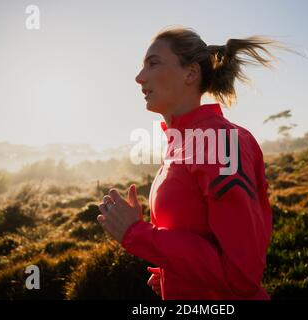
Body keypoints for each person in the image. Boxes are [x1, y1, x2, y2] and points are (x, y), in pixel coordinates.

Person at [97, 26, 283, 300]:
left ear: (191, 73)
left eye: (153, 63)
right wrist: (172, 277)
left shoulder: (220, 140)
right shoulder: (180, 143)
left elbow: (242, 275)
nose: (139, 77)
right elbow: (199, 239)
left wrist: (137, 233)